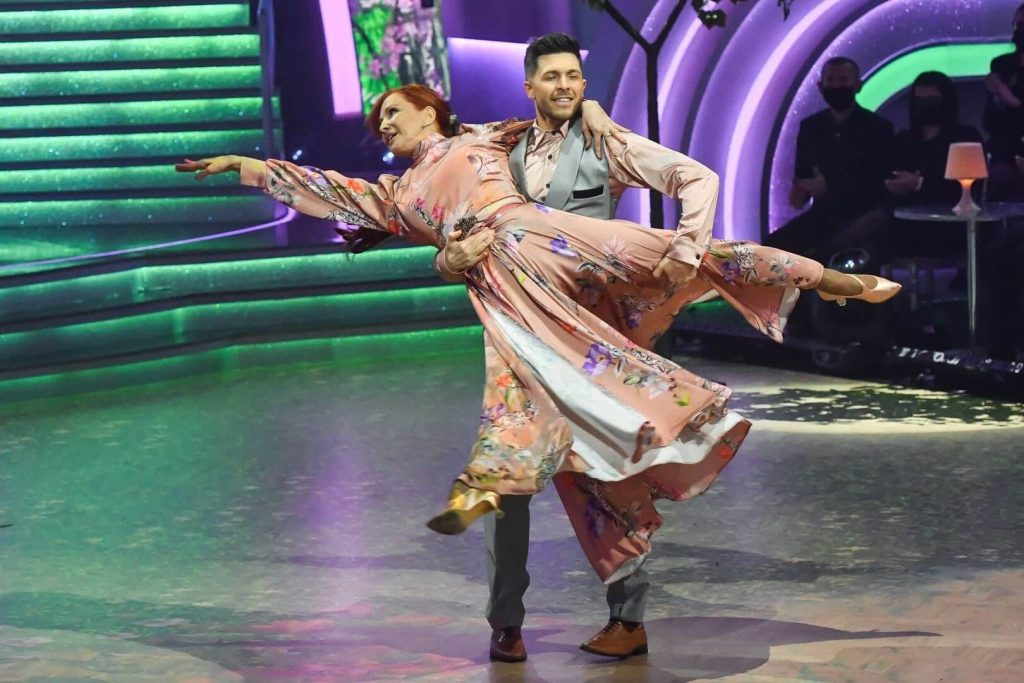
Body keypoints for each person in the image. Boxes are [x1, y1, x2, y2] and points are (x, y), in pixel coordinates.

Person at [176, 82, 899, 664]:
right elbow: (332, 188)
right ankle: (505, 598)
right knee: (526, 436)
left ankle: (827, 279)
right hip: (508, 299)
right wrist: (248, 167)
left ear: (431, 110)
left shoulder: (485, 138)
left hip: (547, 238)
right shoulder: (397, 197)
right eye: (379, 122)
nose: (384, 126)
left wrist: (590, 107)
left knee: (677, 253)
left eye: (393, 112)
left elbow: (557, 115)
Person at [435, 32, 705, 662]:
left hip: (588, 341)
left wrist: (686, 250)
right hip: (517, 340)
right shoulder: (496, 154)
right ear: (528, 86)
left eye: (574, 77)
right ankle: (506, 625)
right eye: (551, 76)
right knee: (510, 479)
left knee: (607, 472)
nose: (564, 86)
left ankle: (628, 620)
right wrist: (449, 260)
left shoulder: (604, 143)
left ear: (585, 85)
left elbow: (695, 177)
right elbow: (450, 231)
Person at [838, 71, 984, 266]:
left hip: (945, 225)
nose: (924, 105)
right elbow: (888, 175)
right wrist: (892, 186)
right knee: (869, 244)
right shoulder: (904, 140)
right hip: (903, 222)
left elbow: (964, 189)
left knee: (877, 225)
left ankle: (824, 255)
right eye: (919, 100)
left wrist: (919, 184)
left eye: (932, 100)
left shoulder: (964, 138)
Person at [767, 57, 894, 261]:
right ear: (820, 87)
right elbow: (803, 180)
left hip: (865, 214)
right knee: (771, 248)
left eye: (843, 80)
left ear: (857, 85)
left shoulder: (878, 128)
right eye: (831, 81)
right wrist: (800, 192)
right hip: (824, 214)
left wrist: (830, 188)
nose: (836, 87)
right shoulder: (811, 127)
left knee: (832, 250)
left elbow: (878, 183)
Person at [984, 2, 1024, 201]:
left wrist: (1009, 98)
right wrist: (998, 97)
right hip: (1005, 153)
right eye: (1018, 25)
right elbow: (989, 120)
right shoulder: (1003, 65)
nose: (1019, 31)